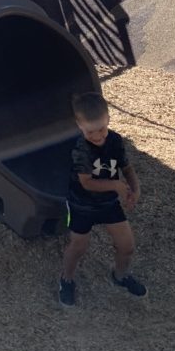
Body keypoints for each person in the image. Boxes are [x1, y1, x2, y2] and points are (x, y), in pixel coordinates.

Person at [58, 91, 146, 307]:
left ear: (108, 119)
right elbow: (86, 182)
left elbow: (126, 166)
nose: (98, 136)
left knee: (127, 246)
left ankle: (120, 275)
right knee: (78, 246)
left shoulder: (115, 141)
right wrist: (116, 186)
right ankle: (66, 280)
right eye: (90, 132)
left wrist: (135, 188)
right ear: (79, 125)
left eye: (102, 129)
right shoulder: (81, 149)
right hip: (81, 204)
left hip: (108, 203)